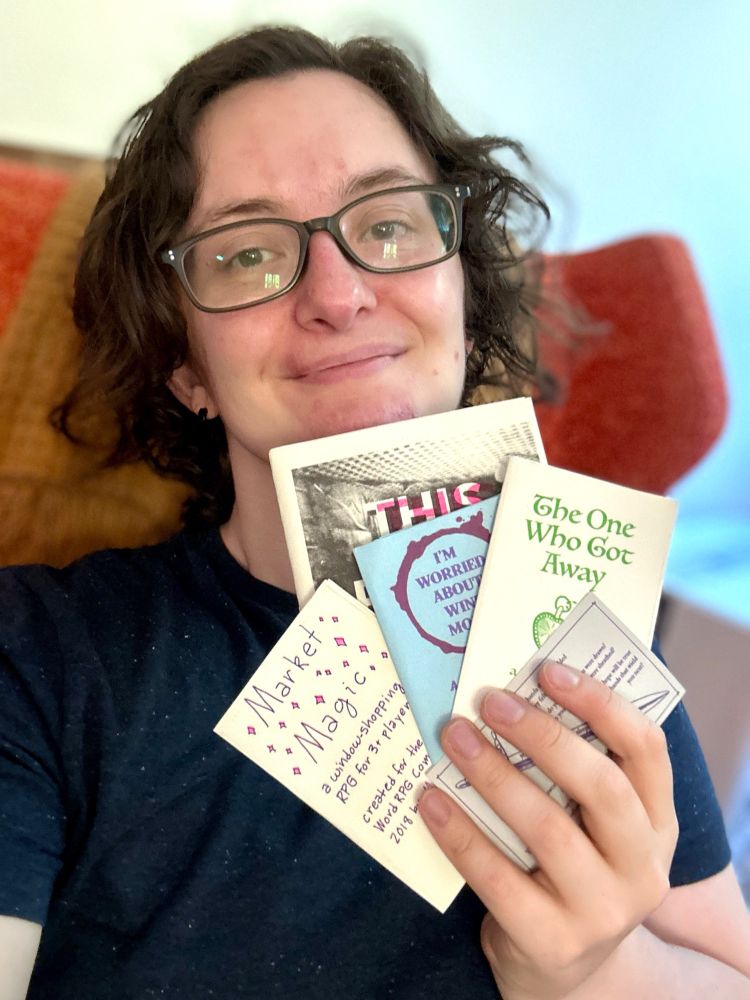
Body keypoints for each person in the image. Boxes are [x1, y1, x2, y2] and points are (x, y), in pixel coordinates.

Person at [1, 24, 749, 1000]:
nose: (340, 294)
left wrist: (595, 969)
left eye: (389, 225)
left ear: (461, 290)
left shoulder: (579, 634)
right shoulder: (40, 655)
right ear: (184, 364)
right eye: (247, 253)